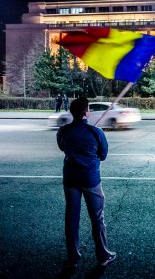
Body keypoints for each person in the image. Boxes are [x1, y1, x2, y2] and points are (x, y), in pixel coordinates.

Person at [56, 97, 116, 270]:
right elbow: (103, 155)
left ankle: (73, 257)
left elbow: (62, 147)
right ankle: (103, 255)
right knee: (97, 218)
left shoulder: (64, 131)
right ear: (86, 112)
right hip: (90, 179)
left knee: (71, 218)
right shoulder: (96, 132)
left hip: (70, 179)